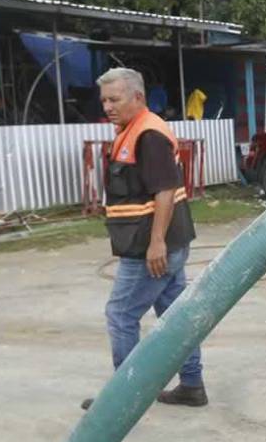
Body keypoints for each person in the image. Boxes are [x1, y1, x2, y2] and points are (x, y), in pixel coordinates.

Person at [82, 67, 207, 410]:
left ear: (137, 97)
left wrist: (156, 243)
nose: (108, 106)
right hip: (162, 243)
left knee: (120, 314)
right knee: (175, 317)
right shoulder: (133, 129)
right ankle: (192, 385)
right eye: (104, 100)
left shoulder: (147, 135)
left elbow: (165, 191)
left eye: (115, 99)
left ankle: (124, 400)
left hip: (150, 248)